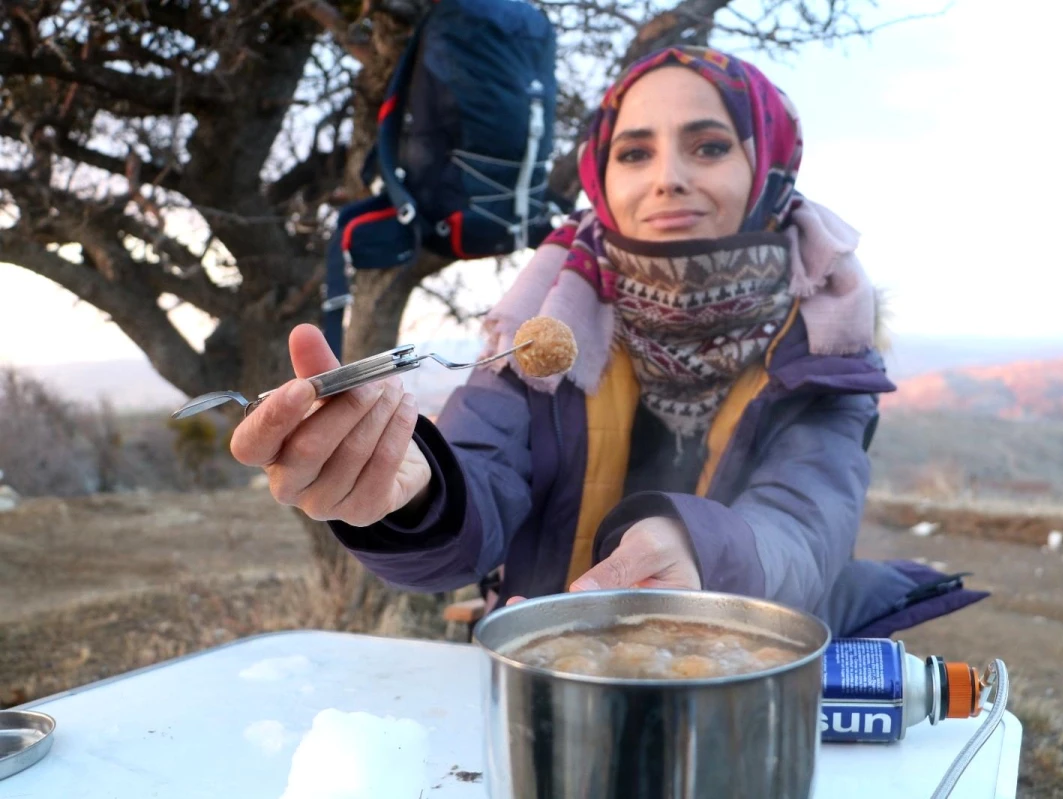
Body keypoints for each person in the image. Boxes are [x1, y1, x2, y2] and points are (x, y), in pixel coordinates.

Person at [230, 46, 986, 637]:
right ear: (601, 175)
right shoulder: (547, 324)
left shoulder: (823, 347)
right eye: (635, 153)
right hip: (553, 681)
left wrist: (697, 547)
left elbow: (805, 527)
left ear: (768, 168)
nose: (668, 178)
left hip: (732, 678)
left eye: (709, 145)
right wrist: (413, 495)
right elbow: (479, 477)